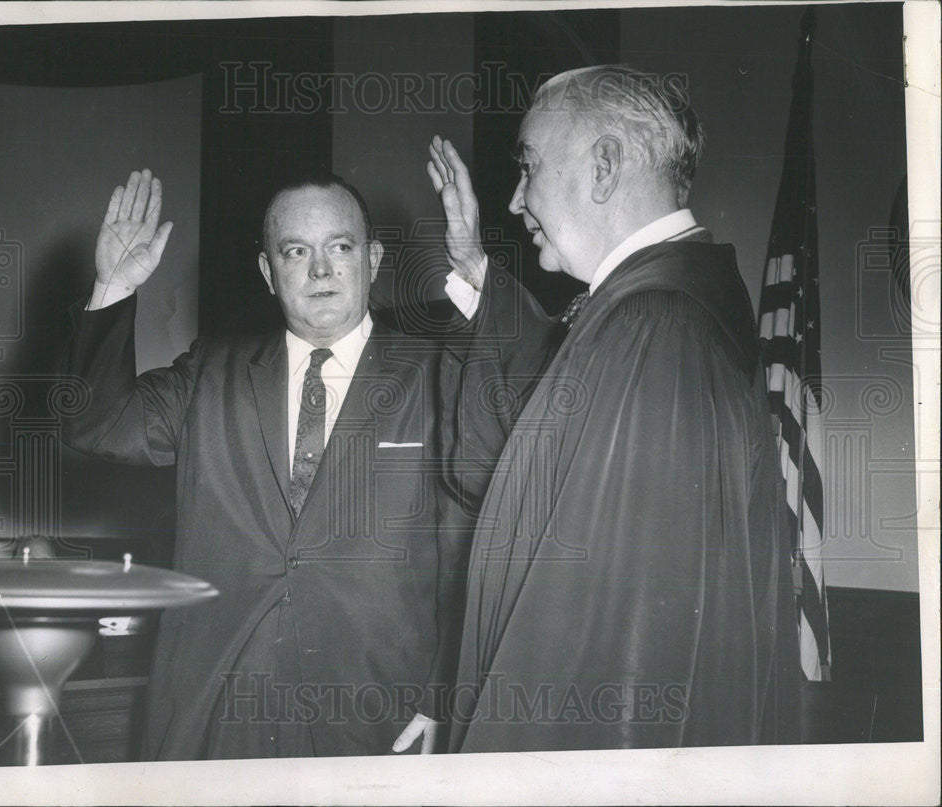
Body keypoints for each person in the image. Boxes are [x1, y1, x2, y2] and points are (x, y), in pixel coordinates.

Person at [426, 65, 802, 752]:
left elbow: (602, 656)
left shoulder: (653, 330)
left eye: (528, 167)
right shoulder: (660, 309)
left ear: (604, 167)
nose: (514, 200)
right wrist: (477, 268)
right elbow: (543, 439)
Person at [62, 169, 467, 759]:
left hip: (382, 712)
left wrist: (443, 694)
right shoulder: (212, 372)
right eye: (296, 251)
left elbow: (467, 553)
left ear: (373, 259)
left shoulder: (441, 376)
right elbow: (97, 423)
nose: (321, 270)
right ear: (267, 270)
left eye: (341, 247)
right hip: (223, 706)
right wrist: (113, 287)